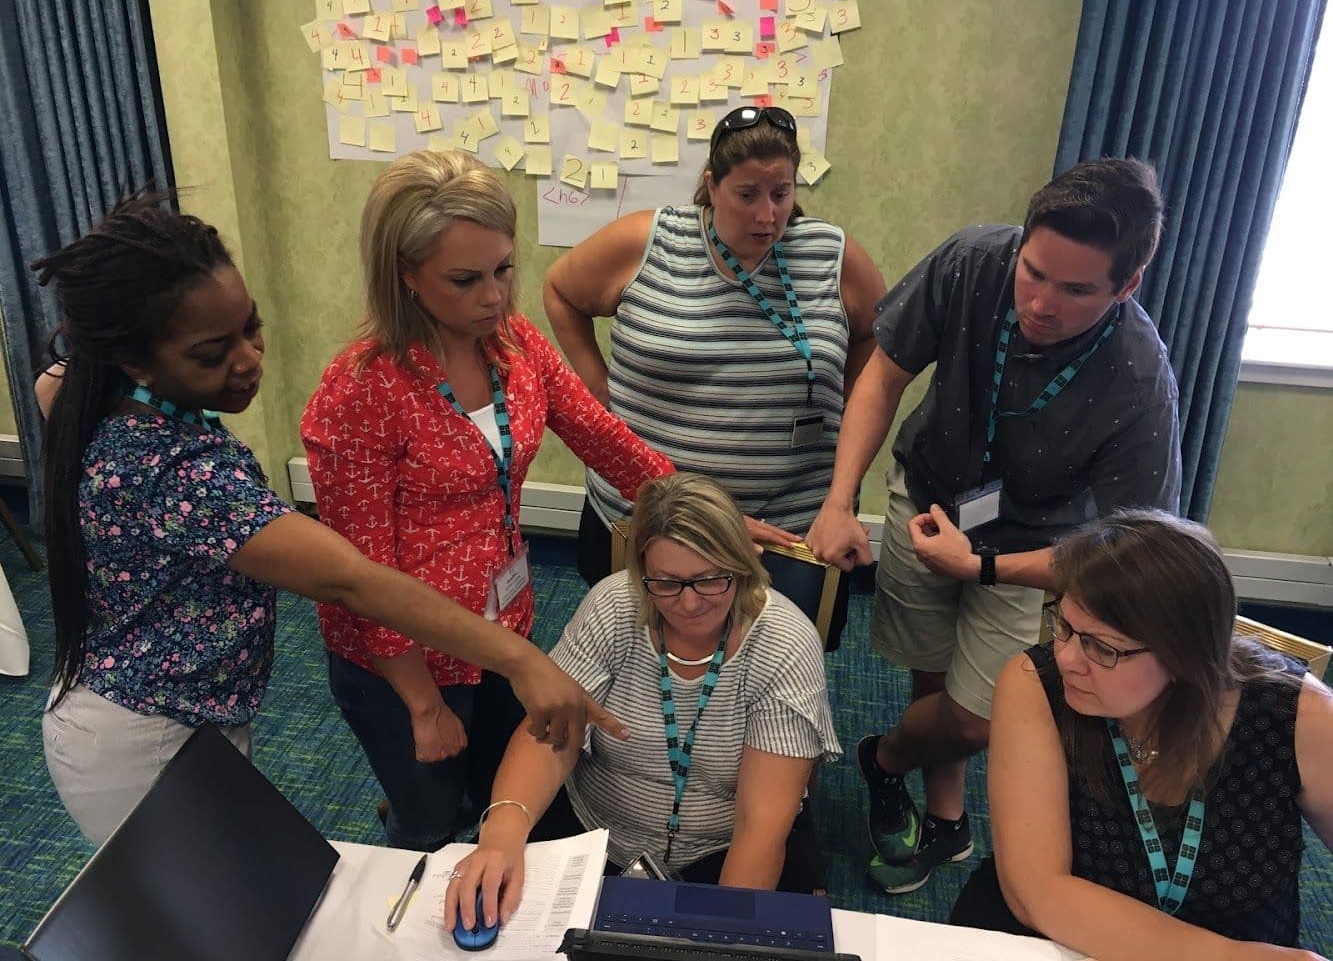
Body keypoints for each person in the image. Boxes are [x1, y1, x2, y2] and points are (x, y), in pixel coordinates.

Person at [34, 195, 619, 846]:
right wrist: (522, 661)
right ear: (132, 363)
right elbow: (352, 581)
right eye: (210, 353)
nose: (250, 359)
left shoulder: (89, 391)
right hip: (143, 732)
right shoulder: (181, 473)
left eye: (251, 328)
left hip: (181, 699)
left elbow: (50, 383)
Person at [805, 157, 1183, 892]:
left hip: (1039, 544)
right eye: (1033, 271)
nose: (1040, 302)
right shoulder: (974, 259)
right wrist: (838, 499)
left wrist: (979, 568)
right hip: (929, 492)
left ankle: (880, 761)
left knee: (979, 714)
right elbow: (883, 373)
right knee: (933, 675)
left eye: (1074, 290)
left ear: (1125, 285)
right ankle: (945, 816)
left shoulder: (1140, 380)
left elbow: (1126, 554)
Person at [300, 151, 674, 853]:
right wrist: (422, 704)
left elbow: (600, 435)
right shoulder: (360, 391)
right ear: (404, 276)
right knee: (433, 825)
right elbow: (358, 575)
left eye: (504, 269)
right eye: (465, 280)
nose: (494, 297)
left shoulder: (512, 342)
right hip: (402, 660)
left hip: (502, 626)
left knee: (503, 788)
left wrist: (690, 502)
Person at [543, 105, 885, 648]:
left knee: (770, 662)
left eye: (782, 193)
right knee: (641, 656)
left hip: (787, 525)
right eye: (746, 194)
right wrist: (598, 389)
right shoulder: (648, 241)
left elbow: (878, 338)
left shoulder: (830, 255)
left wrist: (842, 400)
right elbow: (560, 289)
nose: (767, 215)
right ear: (711, 184)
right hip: (650, 515)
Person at [443, 473, 842, 933]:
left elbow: (760, 825)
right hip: (592, 828)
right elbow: (552, 737)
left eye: (711, 579)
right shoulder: (615, 606)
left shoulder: (784, 644)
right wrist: (504, 831)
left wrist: (721, 937)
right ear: (642, 572)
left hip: (720, 847)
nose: (689, 604)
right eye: (667, 583)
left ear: (742, 565)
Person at [952, 510, 1333, 961]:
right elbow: (1037, 892)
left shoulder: (1297, 714)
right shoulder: (1036, 684)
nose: (1068, 657)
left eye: (1102, 647)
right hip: (1061, 944)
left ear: (1183, 657)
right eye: (1066, 627)